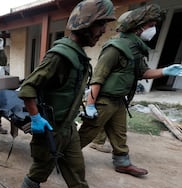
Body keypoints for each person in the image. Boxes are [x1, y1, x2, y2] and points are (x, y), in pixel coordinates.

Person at [18, 0, 116, 188]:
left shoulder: (78, 55)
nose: (103, 31)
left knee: (75, 164)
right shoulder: (60, 56)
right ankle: (30, 187)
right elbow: (27, 88)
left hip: (67, 125)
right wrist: (35, 118)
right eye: (100, 25)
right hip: (49, 126)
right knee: (43, 164)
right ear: (85, 24)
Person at [78, 4, 182, 177]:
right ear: (137, 27)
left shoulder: (136, 49)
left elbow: (143, 73)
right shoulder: (115, 48)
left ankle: (122, 163)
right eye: (150, 26)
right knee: (87, 134)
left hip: (119, 101)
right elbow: (98, 77)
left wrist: (166, 71)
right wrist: (90, 105)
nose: (153, 30)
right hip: (104, 101)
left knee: (120, 135)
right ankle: (62, 157)